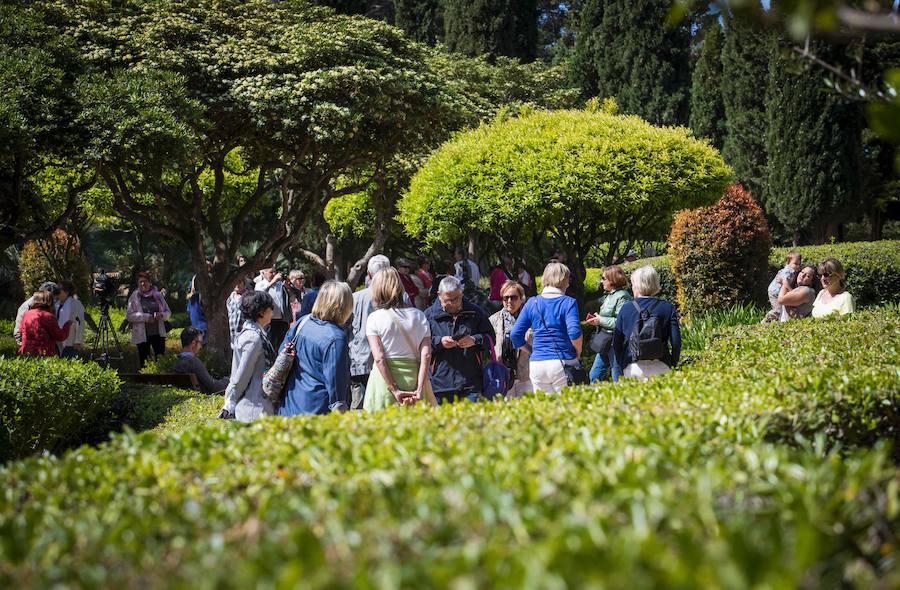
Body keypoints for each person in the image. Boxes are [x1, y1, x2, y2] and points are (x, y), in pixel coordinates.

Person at [363, 268, 436, 411]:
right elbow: (426, 355)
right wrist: (419, 388)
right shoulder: (419, 315)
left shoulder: (374, 318)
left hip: (384, 383)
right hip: (414, 379)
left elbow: (379, 358)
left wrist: (394, 389)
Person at [279, 281, 353, 416]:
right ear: (344, 305)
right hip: (318, 411)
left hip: (289, 404)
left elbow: (282, 353)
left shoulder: (303, 322)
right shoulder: (336, 338)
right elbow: (336, 385)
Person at [510, 262, 582, 394]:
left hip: (538, 364)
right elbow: (575, 333)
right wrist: (577, 353)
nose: (569, 283)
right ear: (563, 280)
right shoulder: (569, 302)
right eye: (568, 279)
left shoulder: (532, 302)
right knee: (567, 407)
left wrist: (531, 351)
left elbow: (515, 335)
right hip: (564, 362)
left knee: (545, 410)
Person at [425, 275, 494, 403]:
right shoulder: (428, 316)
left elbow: (490, 338)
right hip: (440, 384)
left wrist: (474, 340)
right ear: (439, 295)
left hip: (471, 383)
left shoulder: (475, 312)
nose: (452, 304)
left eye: (456, 299)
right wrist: (440, 342)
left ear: (461, 293)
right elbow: (421, 345)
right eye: (447, 300)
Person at [612, 265, 681, 380]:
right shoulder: (667, 307)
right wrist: (672, 363)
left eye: (633, 284)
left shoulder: (626, 309)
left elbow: (616, 342)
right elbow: (676, 342)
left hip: (633, 367)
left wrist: (622, 364)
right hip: (661, 364)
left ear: (637, 286)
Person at [221, 290, 277, 422]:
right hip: (253, 408)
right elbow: (242, 376)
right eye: (270, 309)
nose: (272, 313)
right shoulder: (253, 337)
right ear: (261, 311)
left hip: (256, 404)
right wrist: (231, 401)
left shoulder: (255, 334)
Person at [349, 254, 392, 409]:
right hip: (390, 360)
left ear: (369, 274)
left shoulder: (355, 297)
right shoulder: (399, 297)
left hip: (359, 358)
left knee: (359, 406)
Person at [587, 265, 632, 383]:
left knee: (617, 377)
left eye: (603, 278)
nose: (601, 281)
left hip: (615, 342)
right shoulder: (609, 295)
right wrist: (597, 321)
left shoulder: (623, 296)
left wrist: (601, 320)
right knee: (594, 375)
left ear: (612, 280)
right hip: (605, 342)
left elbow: (621, 322)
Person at [489, 280, 532, 397]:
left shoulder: (530, 319)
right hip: (502, 374)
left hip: (525, 375)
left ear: (521, 298)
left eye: (513, 297)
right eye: (505, 298)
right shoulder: (493, 320)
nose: (509, 301)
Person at [126, 272, 172, 368]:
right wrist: (145, 317)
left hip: (158, 333)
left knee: (161, 360)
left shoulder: (158, 295)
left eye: (145, 281)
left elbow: (168, 312)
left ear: (150, 282)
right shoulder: (134, 297)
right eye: (140, 282)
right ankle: (146, 381)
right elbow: (129, 316)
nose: (143, 284)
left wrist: (162, 315)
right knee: (144, 361)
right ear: (138, 284)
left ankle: (161, 381)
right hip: (142, 335)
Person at [174, 327, 229, 394]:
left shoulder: (177, 362)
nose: (201, 346)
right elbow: (214, 387)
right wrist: (227, 381)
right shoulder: (193, 362)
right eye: (200, 343)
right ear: (193, 343)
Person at [18, 290, 72, 356]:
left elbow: (21, 331)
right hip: (44, 353)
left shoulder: (26, 314)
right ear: (49, 302)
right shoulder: (48, 316)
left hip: (26, 352)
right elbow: (60, 336)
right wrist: (67, 325)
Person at [255, 266, 290, 347]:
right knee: (270, 344)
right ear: (264, 273)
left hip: (282, 320)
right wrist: (272, 282)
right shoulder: (260, 284)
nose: (274, 274)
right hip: (268, 321)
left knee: (282, 344)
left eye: (275, 272)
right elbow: (260, 295)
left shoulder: (280, 284)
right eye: (271, 272)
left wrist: (288, 287)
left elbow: (290, 298)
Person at [763, 250, 801, 323]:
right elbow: (785, 283)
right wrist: (792, 291)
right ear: (788, 262)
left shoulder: (792, 271)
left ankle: (774, 322)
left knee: (781, 309)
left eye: (799, 264)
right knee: (778, 310)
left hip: (778, 292)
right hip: (774, 292)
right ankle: (766, 321)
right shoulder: (788, 271)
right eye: (795, 263)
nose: (797, 266)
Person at [55, 280, 86, 359]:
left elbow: (80, 323)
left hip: (70, 343)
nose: (57, 294)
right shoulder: (57, 304)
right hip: (58, 342)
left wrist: (78, 341)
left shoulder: (76, 303)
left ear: (67, 292)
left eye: (59, 291)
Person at [187, 260, 211, 337]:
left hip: (203, 320)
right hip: (197, 316)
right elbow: (189, 295)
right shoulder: (195, 279)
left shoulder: (210, 280)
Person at [227, 277, 251, 346]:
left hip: (243, 333)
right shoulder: (229, 297)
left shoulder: (248, 296)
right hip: (231, 334)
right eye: (235, 282)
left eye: (239, 282)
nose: (237, 285)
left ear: (244, 283)